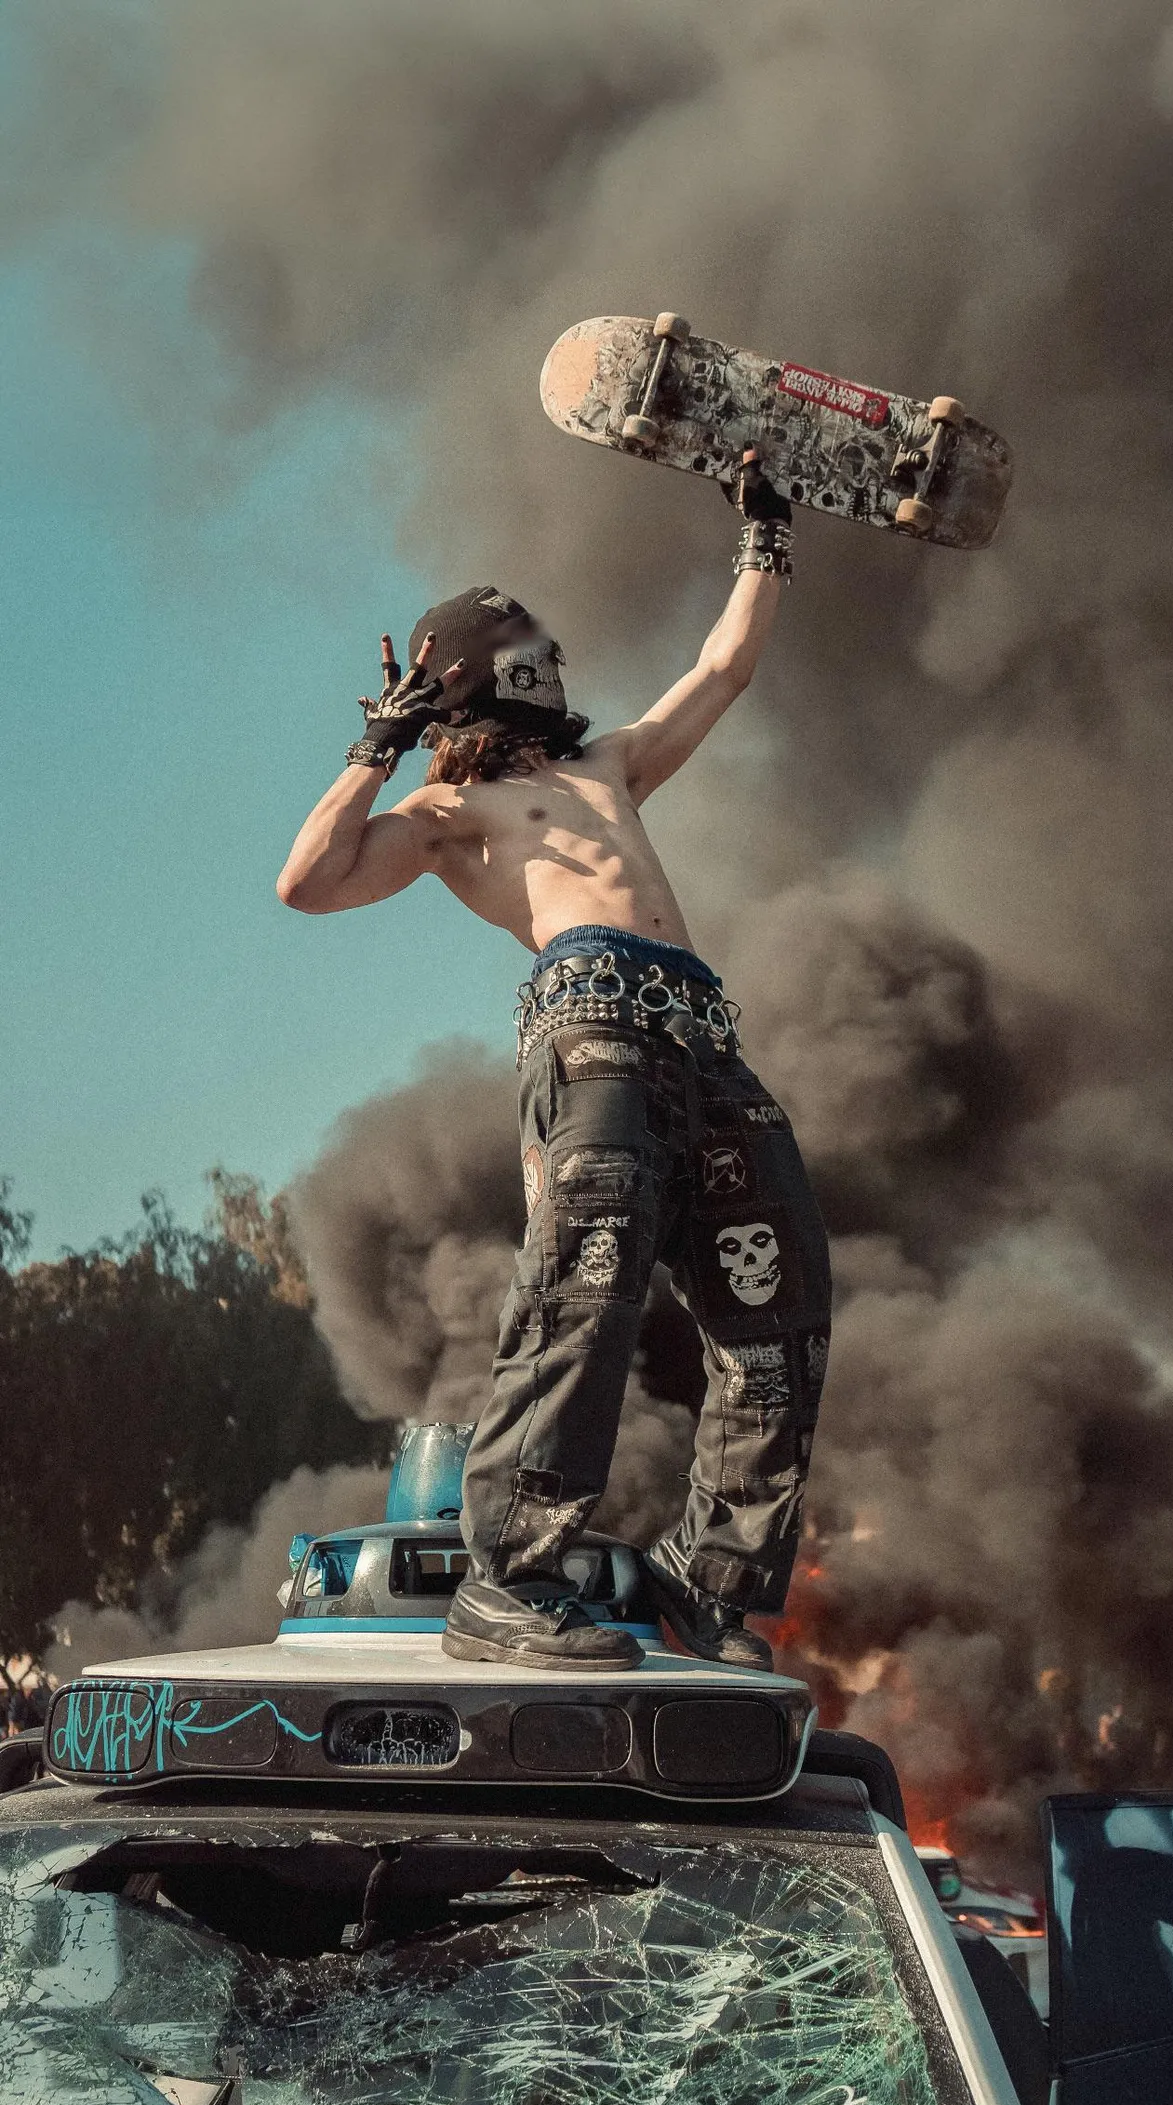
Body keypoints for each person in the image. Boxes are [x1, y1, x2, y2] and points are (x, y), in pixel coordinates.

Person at [278, 457, 832, 1674]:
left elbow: (723, 671)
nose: (550, 656)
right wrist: (380, 741)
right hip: (593, 1044)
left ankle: (712, 1589)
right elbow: (308, 883)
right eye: (523, 643)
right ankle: (511, 1583)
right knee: (581, 1304)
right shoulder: (447, 813)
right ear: (480, 672)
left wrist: (764, 542)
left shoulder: (608, 765)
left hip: (706, 1046)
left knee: (779, 1313)